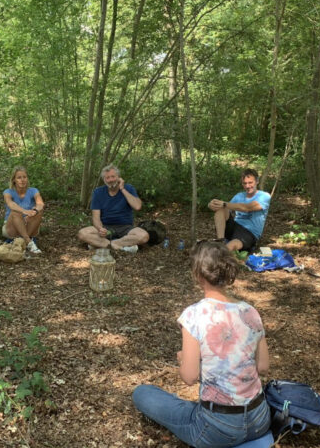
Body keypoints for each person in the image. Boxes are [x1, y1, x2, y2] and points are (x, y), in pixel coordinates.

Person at [132, 242, 271, 447]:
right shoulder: (250, 311)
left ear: (197, 275)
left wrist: (185, 360)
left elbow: (189, 377)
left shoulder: (194, 315)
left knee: (142, 393)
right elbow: (263, 367)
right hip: (260, 420)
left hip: (218, 429)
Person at [77, 165, 149, 253]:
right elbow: (96, 218)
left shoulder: (129, 188)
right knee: (82, 233)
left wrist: (122, 189)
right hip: (106, 228)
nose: (110, 180)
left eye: (113, 177)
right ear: (104, 180)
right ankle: (120, 246)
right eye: (107, 178)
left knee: (144, 236)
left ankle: (108, 244)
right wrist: (100, 228)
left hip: (126, 228)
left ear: (118, 177)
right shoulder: (98, 192)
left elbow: (137, 206)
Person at [207, 168, 270, 253]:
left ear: (257, 181)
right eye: (245, 183)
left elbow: (247, 208)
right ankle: (220, 241)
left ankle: (220, 255)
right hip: (234, 227)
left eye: (250, 182)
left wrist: (224, 204)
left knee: (231, 245)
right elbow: (225, 209)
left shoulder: (264, 196)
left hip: (249, 233)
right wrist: (212, 205)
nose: (247, 186)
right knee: (221, 209)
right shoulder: (239, 196)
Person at [2, 166, 44, 255]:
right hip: (12, 226)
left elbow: (40, 203)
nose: (22, 180)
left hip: (29, 225)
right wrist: (24, 211)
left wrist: (35, 211)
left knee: (39, 212)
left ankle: (21, 241)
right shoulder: (8, 192)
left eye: (24, 177)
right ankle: (29, 241)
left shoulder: (33, 191)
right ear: (14, 180)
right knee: (15, 212)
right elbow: (11, 204)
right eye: (19, 177)